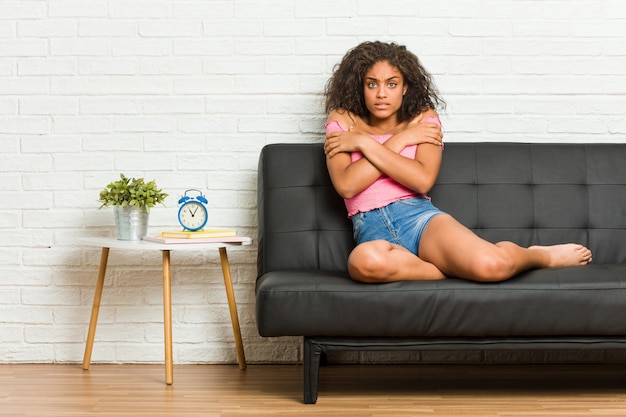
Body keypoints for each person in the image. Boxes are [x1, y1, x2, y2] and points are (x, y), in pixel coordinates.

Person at [323, 41, 592, 283]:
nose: (382, 93)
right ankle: (448, 269)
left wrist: (364, 143)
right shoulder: (344, 119)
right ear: (361, 86)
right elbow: (347, 185)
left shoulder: (422, 118)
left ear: (405, 87)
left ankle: (537, 256)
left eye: (392, 84)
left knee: (492, 265)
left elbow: (421, 180)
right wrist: (400, 139)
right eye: (372, 84)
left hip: (418, 220)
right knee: (364, 263)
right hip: (371, 230)